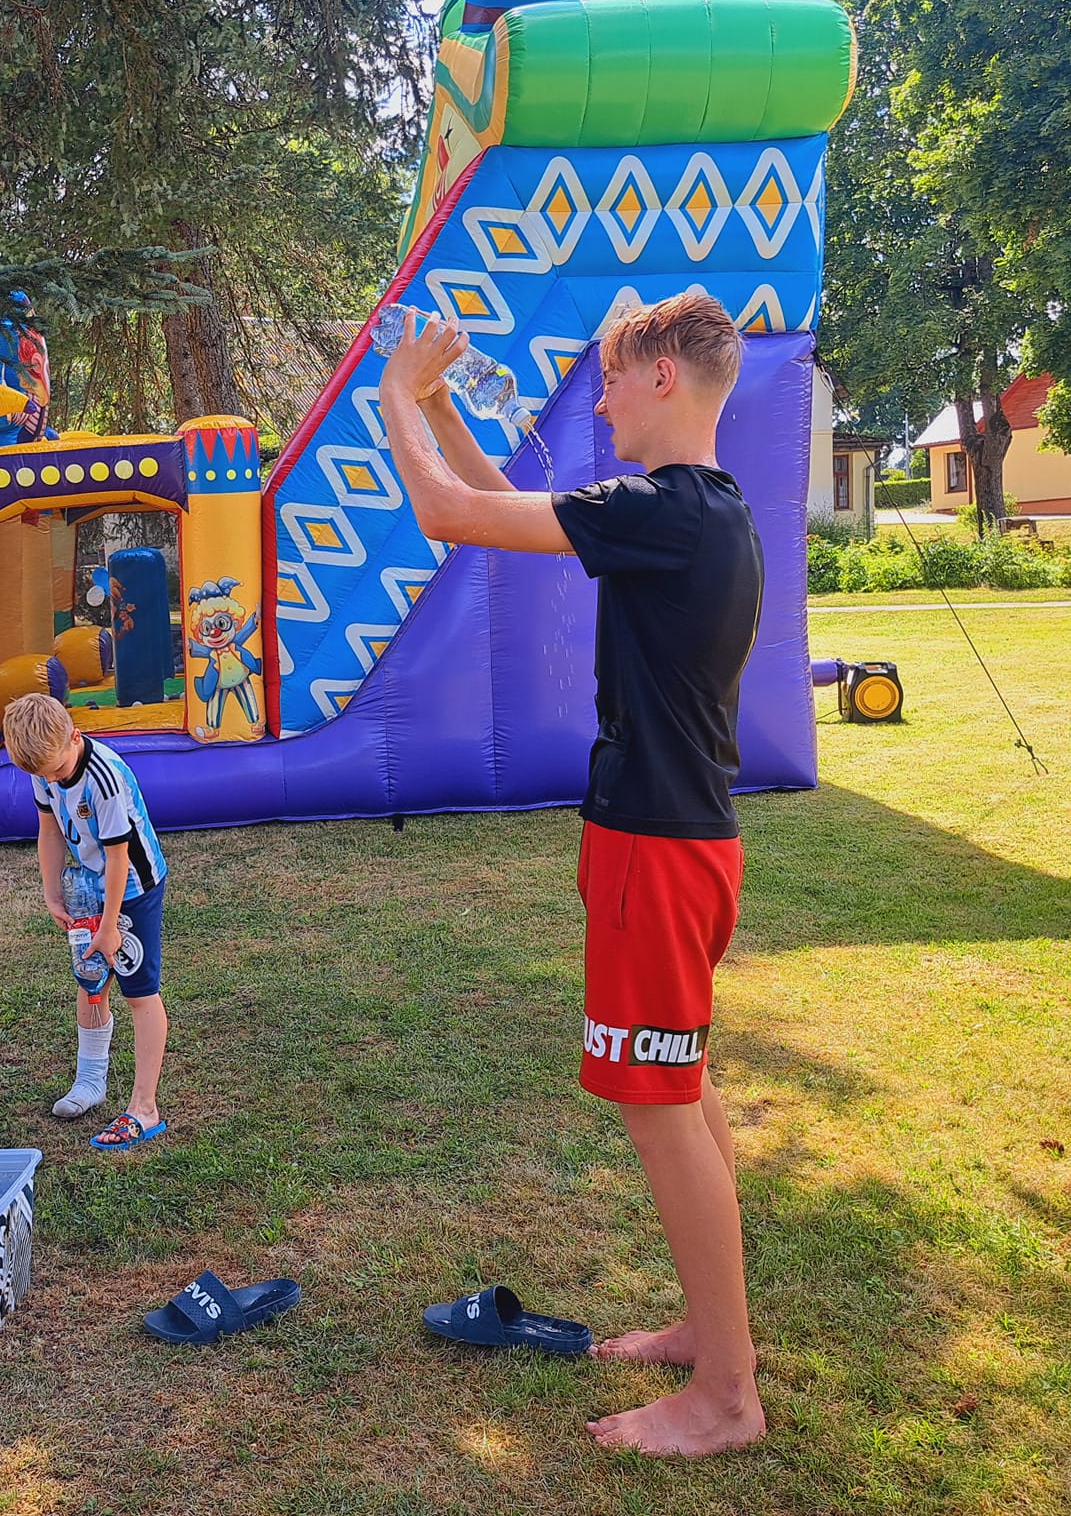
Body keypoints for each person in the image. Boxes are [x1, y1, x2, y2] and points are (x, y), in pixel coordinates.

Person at [377, 293, 766, 1457]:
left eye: (608, 380)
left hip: (657, 847)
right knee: (680, 1088)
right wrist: (439, 405)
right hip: (671, 840)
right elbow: (492, 501)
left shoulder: (665, 510)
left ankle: (726, 1396)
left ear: (661, 376)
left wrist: (393, 392)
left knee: (658, 1105)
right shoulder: (697, 512)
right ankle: (709, 1333)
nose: (596, 405)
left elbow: (446, 514)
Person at [0, 693, 171, 1151]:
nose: (51, 780)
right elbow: (49, 829)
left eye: (57, 771)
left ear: (74, 736)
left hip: (131, 889)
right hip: (88, 885)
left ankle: (145, 1108)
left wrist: (110, 926)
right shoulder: (44, 766)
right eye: (43, 775)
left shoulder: (104, 778)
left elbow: (119, 859)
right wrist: (52, 891)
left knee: (139, 992)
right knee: (91, 976)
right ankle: (90, 1080)